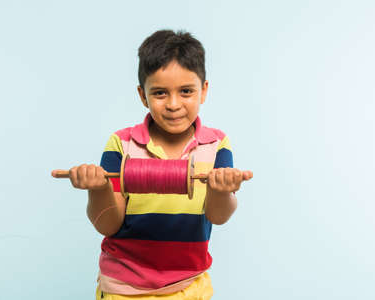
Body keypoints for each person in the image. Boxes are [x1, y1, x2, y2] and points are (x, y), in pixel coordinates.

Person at [52, 29, 253, 299]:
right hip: (124, 289)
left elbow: (219, 216)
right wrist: (97, 188)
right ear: (142, 95)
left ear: (203, 91)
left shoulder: (217, 145)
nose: (173, 104)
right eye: (159, 93)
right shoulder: (121, 144)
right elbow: (107, 225)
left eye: (186, 91)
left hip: (188, 287)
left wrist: (221, 189)